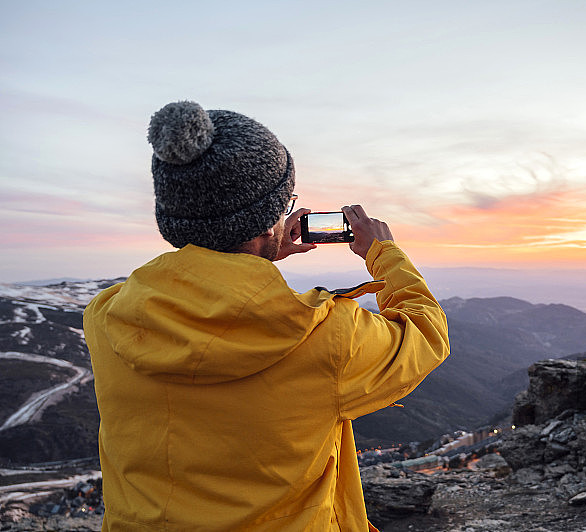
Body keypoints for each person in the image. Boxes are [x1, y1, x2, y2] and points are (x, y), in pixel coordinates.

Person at [83, 101, 450, 531]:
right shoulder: (328, 337)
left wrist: (260, 255)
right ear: (266, 220)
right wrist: (383, 253)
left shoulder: (107, 317)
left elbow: (209, 313)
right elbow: (427, 334)